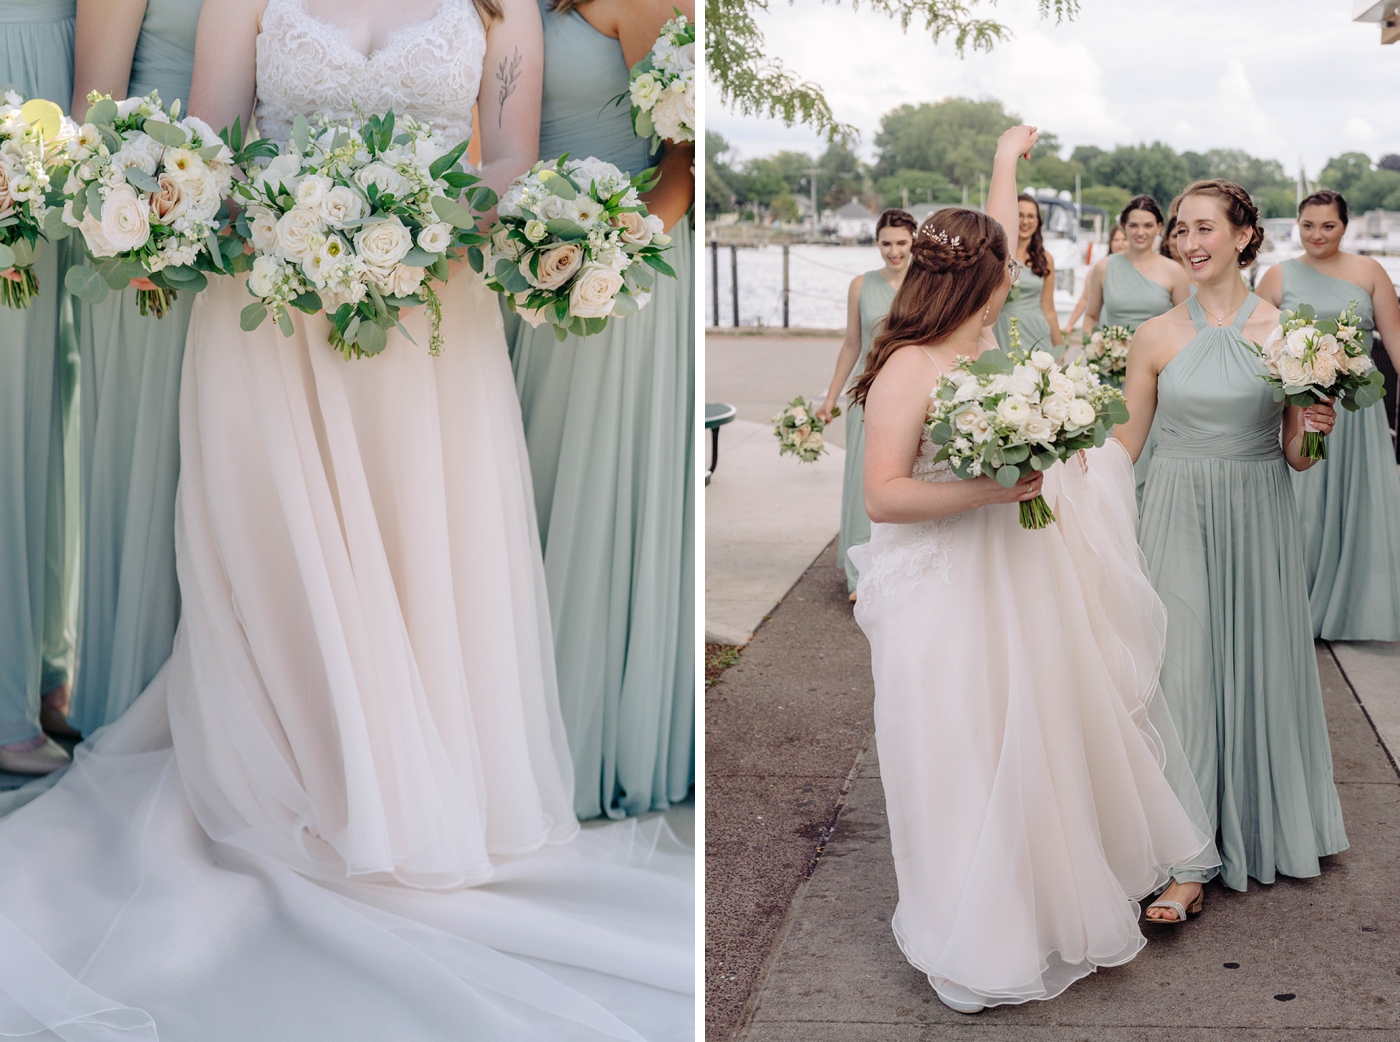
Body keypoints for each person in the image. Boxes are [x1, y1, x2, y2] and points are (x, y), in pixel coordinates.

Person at [0, 1, 692, 1036]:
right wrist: (293, 220)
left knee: (418, 557)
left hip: (432, 321)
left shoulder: (496, 10)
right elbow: (217, 147)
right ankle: (290, 785)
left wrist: (438, 222)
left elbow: (503, 155)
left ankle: (402, 791)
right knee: (278, 566)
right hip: (261, 316)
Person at [847, 124, 1216, 1014]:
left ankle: (1030, 911)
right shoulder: (909, 366)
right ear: (966, 284)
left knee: (1020, 739)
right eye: (997, 275)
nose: (1011, 281)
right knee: (950, 749)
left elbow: (1008, 246)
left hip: (1006, 577)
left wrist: (1053, 453)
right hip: (938, 585)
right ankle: (970, 928)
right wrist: (986, 492)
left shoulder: (981, 354)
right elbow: (884, 498)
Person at [1115, 179, 1348, 922]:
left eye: (1205, 228)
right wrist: (1051, 473)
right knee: (1178, 671)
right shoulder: (1154, 336)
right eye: (1182, 229)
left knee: (1253, 663)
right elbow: (1125, 445)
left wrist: (1316, 424)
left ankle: (1255, 823)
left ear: (1245, 236)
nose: (1189, 241)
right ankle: (1185, 860)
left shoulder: (1288, 335)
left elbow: (1296, 457)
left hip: (1257, 512)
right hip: (1177, 509)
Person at [509, 0, 695, 821]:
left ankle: (577, 747)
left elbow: (686, 163)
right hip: (519, 265)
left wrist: (600, 259)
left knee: (579, 487)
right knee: (515, 487)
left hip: (619, 272)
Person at [65, 0, 204, 740]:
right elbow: (96, 107)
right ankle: (128, 712)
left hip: (242, 249)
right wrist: (137, 232)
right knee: (144, 468)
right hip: (144, 244)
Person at [1256, 190, 1400, 641]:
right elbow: (1255, 350)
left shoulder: (1370, 271)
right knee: (1305, 507)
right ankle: (1295, 604)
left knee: (1358, 505)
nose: (1317, 235)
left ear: (1346, 225)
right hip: (1301, 409)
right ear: (1297, 224)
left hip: (1357, 410)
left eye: (1328, 226)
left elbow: (1394, 343)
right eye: (1308, 225)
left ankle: (1354, 608)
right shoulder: (1277, 275)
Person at [0, 0, 80, 775]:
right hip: (11, 70)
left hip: (70, 73)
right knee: (9, 396)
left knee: (60, 390)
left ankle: (46, 667)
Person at [815, 207, 915, 601]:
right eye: (886, 244)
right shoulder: (860, 284)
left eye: (902, 243)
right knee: (863, 480)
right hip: (866, 391)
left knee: (908, 480)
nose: (893, 252)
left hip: (912, 390)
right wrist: (830, 396)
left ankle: (903, 565)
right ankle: (861, 576)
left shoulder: (927, 283)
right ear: (876, 243)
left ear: (914, 242)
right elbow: (852, 344)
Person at [1080, 194, 1189, 338]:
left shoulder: (1174, 271)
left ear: (1159, 227)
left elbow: (1186, 323)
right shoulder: (1103, 268)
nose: (1140, 232)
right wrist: (1092, 349)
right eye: (1134, 225)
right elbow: (1091, 317)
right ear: (1124, 226)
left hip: (1159, 358)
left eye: (1148, 226)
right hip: (1110, 357)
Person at [992, 193, 1062, 354]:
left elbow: (1049, 307)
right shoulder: (998, 256)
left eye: (1031, 216)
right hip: (1004, 329)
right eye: (1020, 215)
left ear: (1038, 221)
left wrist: (1059, 346)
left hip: (1036, 330)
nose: (1025, 221)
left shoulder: (1045, 259)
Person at [1063, 222, 1125, 335]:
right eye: (1116, 240)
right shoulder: (1099, 269)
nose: (1120, 243)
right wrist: (1070, 325)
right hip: (1105, 331)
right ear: (1110, 243)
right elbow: (1085, 299)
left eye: (1124, 239)